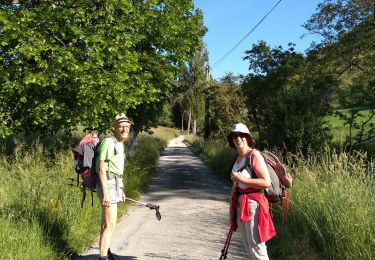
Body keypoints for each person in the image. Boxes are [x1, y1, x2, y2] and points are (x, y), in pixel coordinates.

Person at [227, 123, 276, 260]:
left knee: (257, 248)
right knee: (248, 249)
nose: (238, 138)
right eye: (235, 135)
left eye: (242, 135)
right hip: (240, 204)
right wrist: (231, 209)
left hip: (254, 204)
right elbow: (235, 185)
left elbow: (266, 182)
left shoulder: (254, 155)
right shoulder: (237, 159)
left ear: (248, 138)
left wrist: (241, 179)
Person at [96, 113, 131, 260]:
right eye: (121, 126)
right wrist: (106, 193)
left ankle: (105, 252)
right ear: (114, 127)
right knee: (110, 224)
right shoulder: (109, 143)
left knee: (107, 224)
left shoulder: (120, 143)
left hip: (115, 184)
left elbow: (117, 170)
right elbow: (101, 169)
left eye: (127, 126)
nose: (124, 129)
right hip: (108, 185)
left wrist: (120, 189)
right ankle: (103, 257)